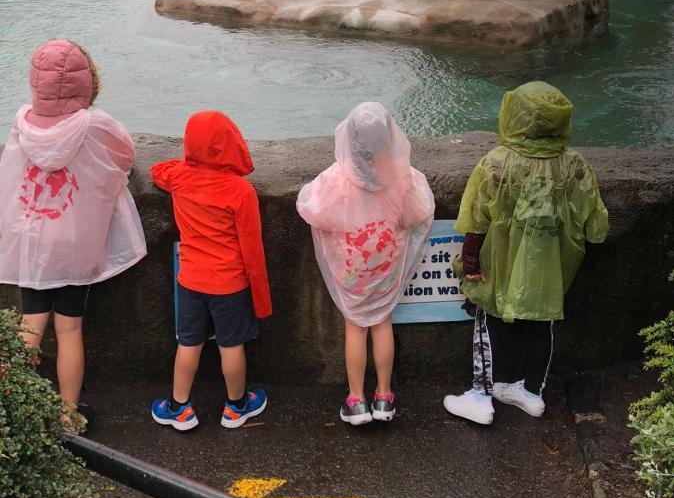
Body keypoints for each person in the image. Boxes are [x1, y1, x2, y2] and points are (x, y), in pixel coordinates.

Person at [0, 39, 147, 431]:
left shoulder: (22, 122)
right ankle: (68, 414)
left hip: (30, 240)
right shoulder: (95, 124)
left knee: (29, 325)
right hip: (73, 246)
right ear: (88, 82)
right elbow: (125, 156)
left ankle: (12, 410)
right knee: (69, 328)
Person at [443, 81, 608, 425]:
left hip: (497, 262)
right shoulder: (574, 164)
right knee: (542, 323)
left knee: (487, 320)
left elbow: (476, 219)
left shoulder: (496, 162)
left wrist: (470, 261)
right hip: (551, 266)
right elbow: (596, 226)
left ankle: (480, 395)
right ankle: (532, 393)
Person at [297, 102, 434, 426]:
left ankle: (356, 399)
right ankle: (384, 396)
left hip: (352, 270)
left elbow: (312, 209)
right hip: (385, 268)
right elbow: (417, 212)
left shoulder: (338, 179)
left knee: (355, 326)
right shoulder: (401, 178)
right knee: (382, 322)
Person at [150, 110, 271, 431]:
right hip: (230, 283)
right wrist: (261, 299)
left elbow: (158, 170)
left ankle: (179, 407)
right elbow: (253, 248)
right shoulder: (240, 192)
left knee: (189, 343)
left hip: (190, 281)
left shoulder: (179, 178)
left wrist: (189, 164)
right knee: (231, 345)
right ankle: (236, 406)